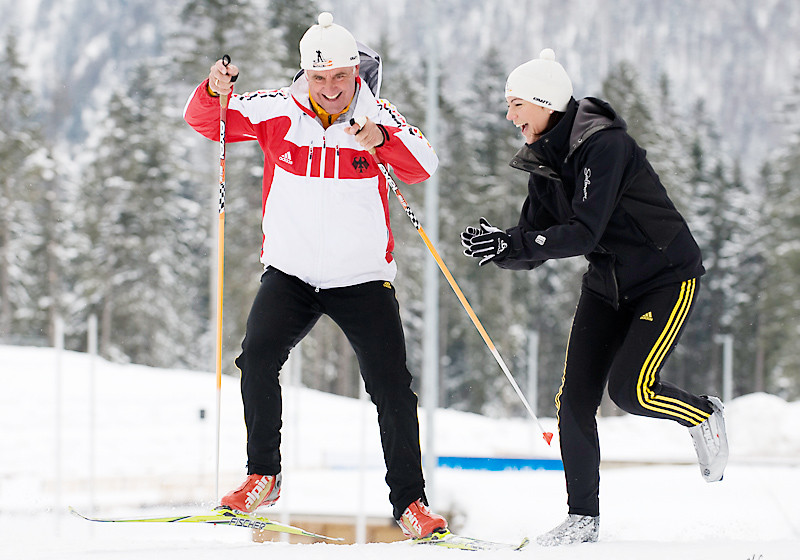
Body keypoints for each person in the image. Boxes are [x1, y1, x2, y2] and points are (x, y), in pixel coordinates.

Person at [183, 12, 447, 539]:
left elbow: (424, 164)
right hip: (292, 272)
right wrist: (212, 90)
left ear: (356, 72)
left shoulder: (380, 116)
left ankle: (410, 504)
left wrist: (379, 140)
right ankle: (263, 476)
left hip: (362, 278)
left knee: (392, 388)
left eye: (341, 78)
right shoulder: (278, 109)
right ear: (305, 72)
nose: (330, 89)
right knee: (256, 358)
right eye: (320, 78)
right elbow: (207, 120)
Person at [460, 48, 728, 546]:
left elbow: (582, 231)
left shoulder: (604, 146)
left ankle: (704, 412)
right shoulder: (545, 162)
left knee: (633, 391)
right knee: (572, 402)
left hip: (664, 278)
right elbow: (534, 238)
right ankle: (583, 519)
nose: (509, 115)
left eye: (516, 103)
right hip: (607, 286)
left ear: (544, 103)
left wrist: (515, 243)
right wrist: (499, 247)